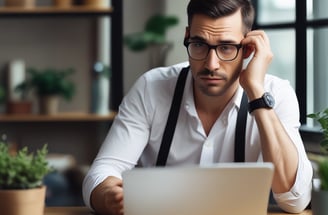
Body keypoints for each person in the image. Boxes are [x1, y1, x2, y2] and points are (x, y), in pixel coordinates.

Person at [83, 0, 313, 214]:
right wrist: (109, 196)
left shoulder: (277, 94)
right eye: (200, 44)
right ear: (187, 37)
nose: (211, 64)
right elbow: (102, 173)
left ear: (248, 49)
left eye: (226, 47)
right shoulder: (151, 88)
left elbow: (295, 199)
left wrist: (257, 94)